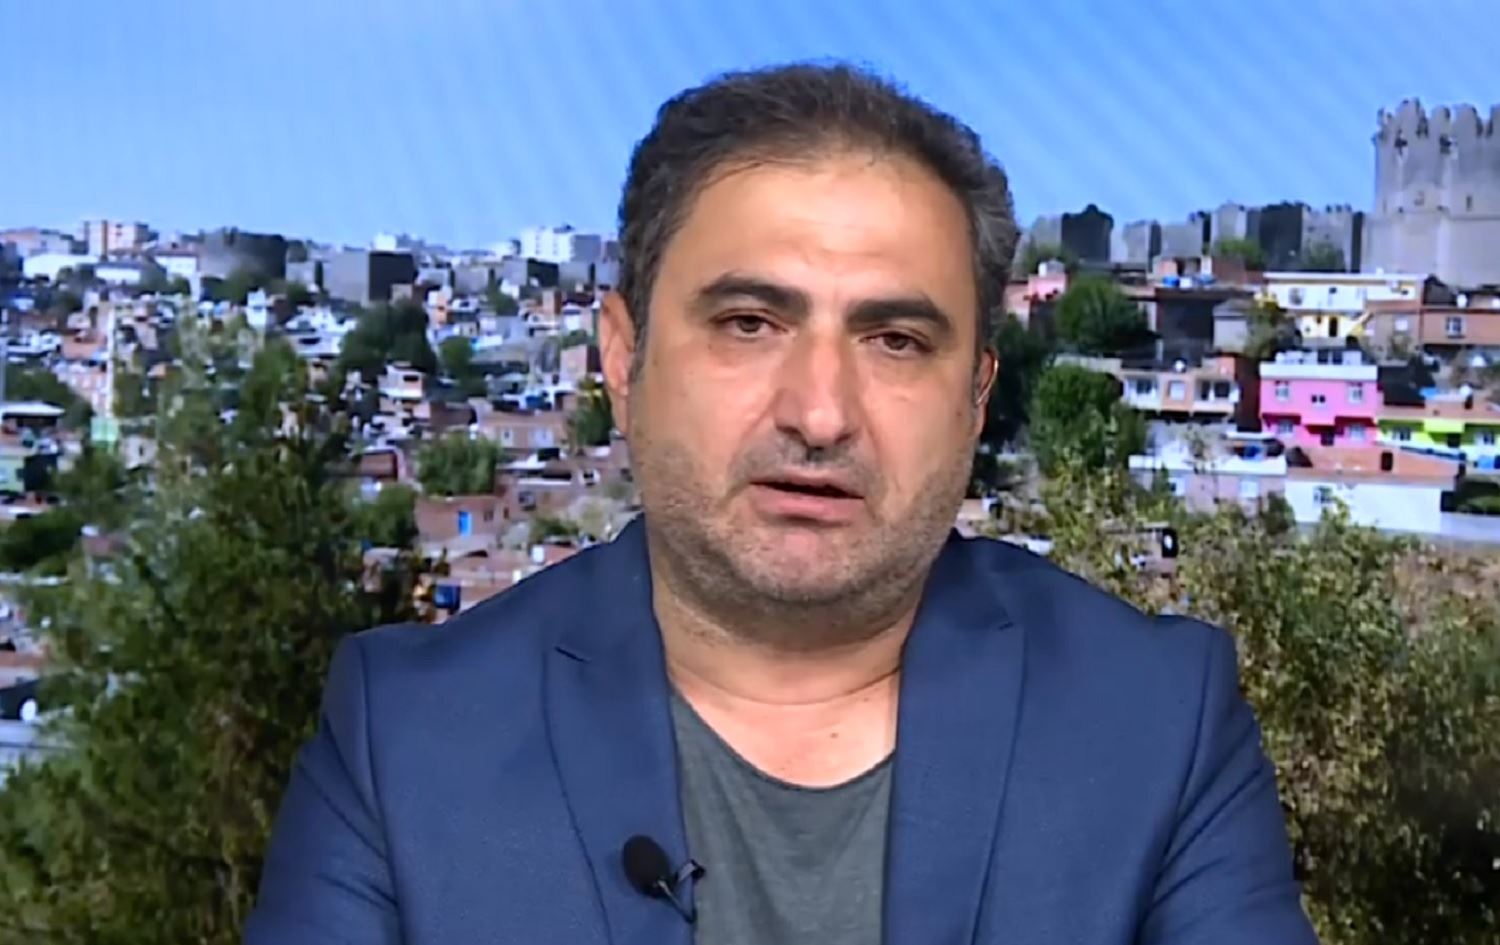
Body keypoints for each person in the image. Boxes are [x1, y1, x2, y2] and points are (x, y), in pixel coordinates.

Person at [246, 62, 1319, 945]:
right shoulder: (407, 739)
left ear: (977, 396)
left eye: (896, 341)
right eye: (750, 324)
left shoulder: (1158, 723)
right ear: (622, 357)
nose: (820, 413)